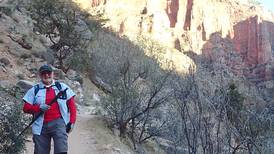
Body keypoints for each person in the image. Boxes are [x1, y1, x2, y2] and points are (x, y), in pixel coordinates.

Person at [22, 64, 77, 154]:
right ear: (40, 75)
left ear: (52, 74)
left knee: (61, 150)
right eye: (44, 73)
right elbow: (25, 108)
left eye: (48, 73)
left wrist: (72, 122)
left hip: (59, 123)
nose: (46, 75)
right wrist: (39, 107)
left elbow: (72, 106)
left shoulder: (62, 87)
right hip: (40, 125)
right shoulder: (34, 90)